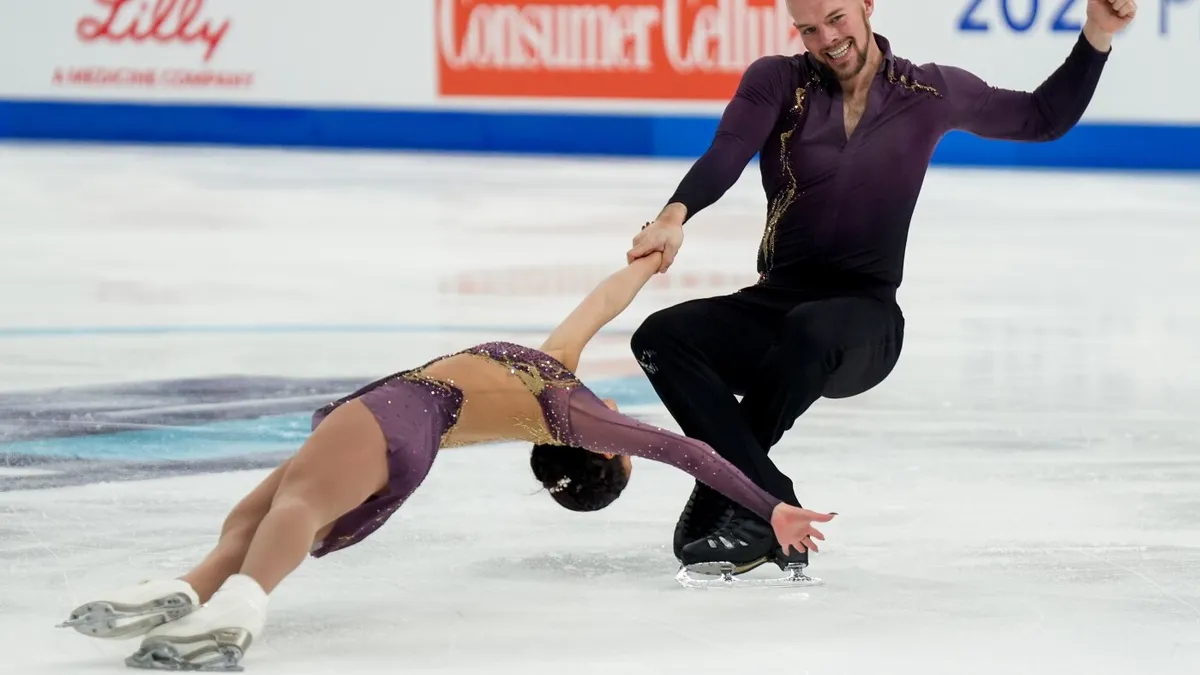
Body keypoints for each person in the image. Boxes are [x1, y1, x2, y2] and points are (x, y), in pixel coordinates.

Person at [55, 250, 835, 672]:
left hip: (407, 410)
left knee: (295, 506)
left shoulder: (574, 411)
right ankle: (192, 591)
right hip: (404, 421)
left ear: (600, 455)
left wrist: (767, 506)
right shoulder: (554, 378)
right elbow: (600, 305)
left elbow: (686, 447)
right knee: (260, 511)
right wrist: (649, 259)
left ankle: (240, 606)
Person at [626, 0, 1136, 573]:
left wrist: (1096, 34)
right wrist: (675, 213)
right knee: (661, 337)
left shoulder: (928, 92)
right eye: (809, 29)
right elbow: (728, 150)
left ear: (868, 6)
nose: (827, 38)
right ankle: (768, 498)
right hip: (775, 305)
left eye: (837, 18)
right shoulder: (778, 80)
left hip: (862, 324)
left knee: (811, 328)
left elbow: (1042, 117)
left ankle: (740, 492)